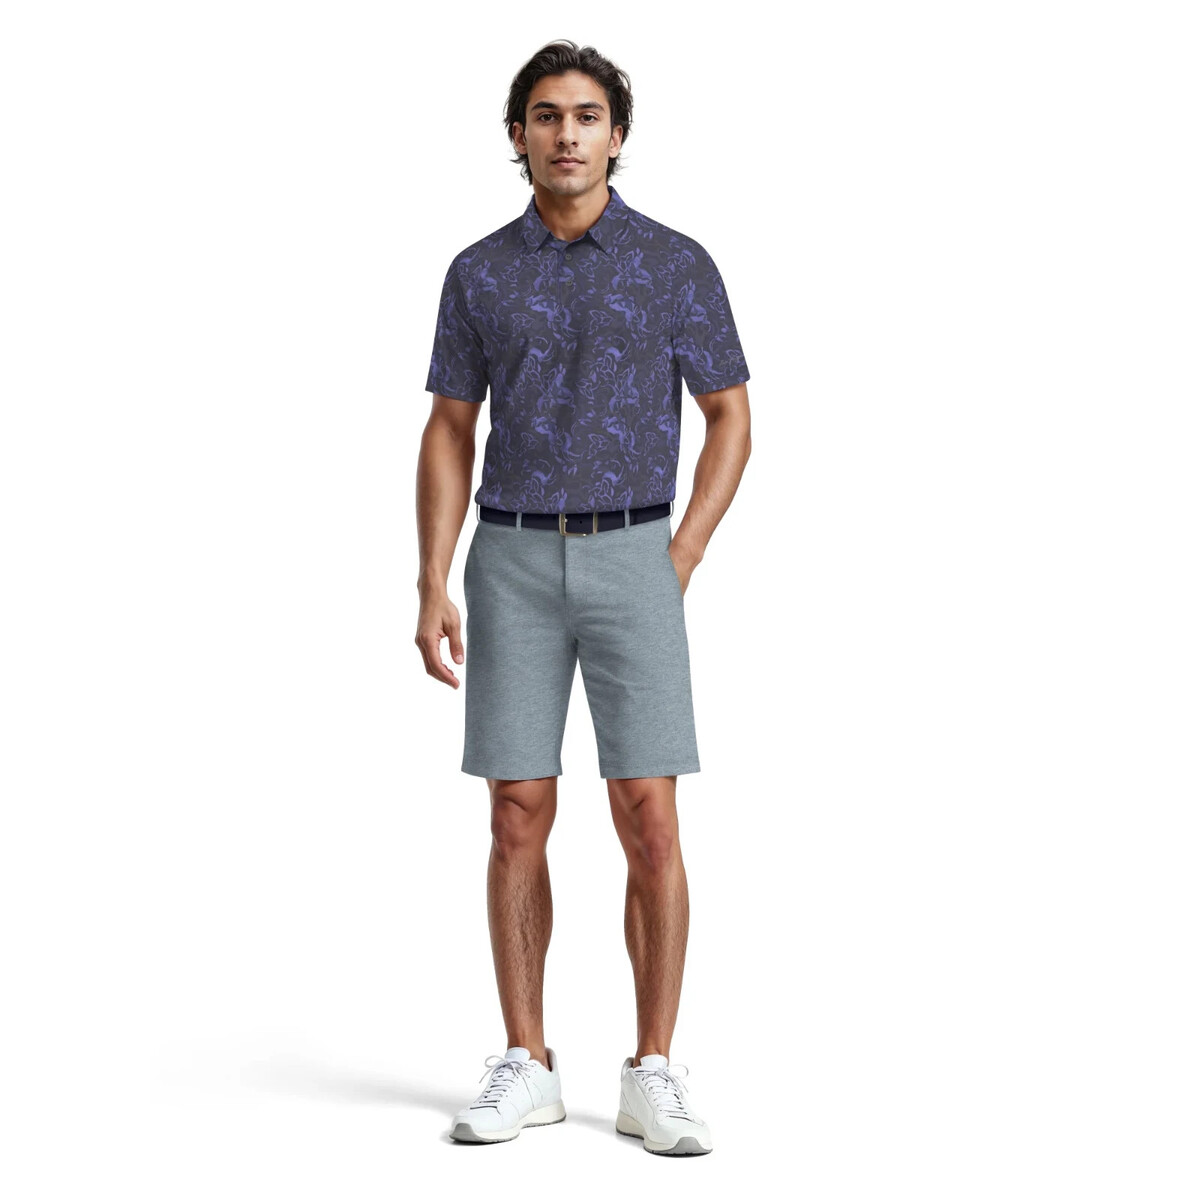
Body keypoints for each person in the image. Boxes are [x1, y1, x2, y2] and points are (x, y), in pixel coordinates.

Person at [415, 40, 752, 1156]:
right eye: (548, 115)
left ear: (618, 134)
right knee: (516, 811)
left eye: (589, 115)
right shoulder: (478, 273)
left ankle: (654, 1070)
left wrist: (682, 553)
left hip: (634, 554)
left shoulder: (674, 264)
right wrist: (432, 577)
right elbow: (450, 426)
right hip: (509, 558)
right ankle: (528, 1061)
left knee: (648, 813)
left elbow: (731, 415)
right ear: (518, 134)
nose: (568, 134)